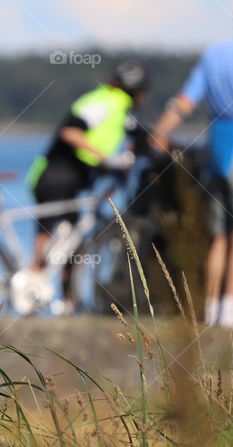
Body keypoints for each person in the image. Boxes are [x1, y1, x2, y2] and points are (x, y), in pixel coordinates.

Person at [150, 0, 233, 330]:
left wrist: (160, 132)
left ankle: (210, 307)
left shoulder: (215, 54)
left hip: (217, 155)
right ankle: (231, 312)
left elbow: (184, 101)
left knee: (220, 235)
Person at [24, 59, 149, 310]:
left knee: (71, 241)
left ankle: (69, 303)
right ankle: (30, 289)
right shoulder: (104, 102)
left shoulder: (116, 105)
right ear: (139, 92)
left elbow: (137, 138)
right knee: (50, 237)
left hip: (70, 180)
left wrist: (108, 167)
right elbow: (70, 132)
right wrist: (106, 159)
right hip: (55, 176)